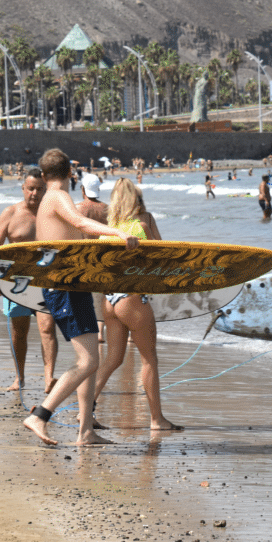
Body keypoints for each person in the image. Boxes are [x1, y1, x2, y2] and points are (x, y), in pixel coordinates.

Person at [22, 148, 138, 446]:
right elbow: (82, 223)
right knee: (87, 361)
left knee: (91, 360)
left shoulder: (52, 200)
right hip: (64, 287)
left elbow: (74, 238)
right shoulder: (58, 197)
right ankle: (40, 415)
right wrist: (119, 234)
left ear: (45, 175)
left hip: (74, 284)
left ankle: (85, 430)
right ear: (69, 175)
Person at [92, 179, 181, 431]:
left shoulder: (107, 231)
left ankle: (85, 411)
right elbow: (163, 253)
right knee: (149, 359)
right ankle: (157, 420)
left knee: (112, 359)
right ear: (136, 200)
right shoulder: (144, 222)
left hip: (109, 301)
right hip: (132, 299)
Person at [0, 168, 58, 393]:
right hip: (15, 282)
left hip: (44, 281)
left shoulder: (52, 214)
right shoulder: (10, 213)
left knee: (47, 328)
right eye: (30, 189)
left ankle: (49, 378)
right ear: (23, 189)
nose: (34, 194)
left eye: (39, 189)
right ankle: (20, 377)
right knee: (20, 332)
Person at [77, 172, 109, 343]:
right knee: (101, 293)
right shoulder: (108, 209)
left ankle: (90, 329)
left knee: (87, 294)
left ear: (82, 189)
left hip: (83, 254)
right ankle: (100, 332)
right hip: (104, 254)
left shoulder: (78, 209)